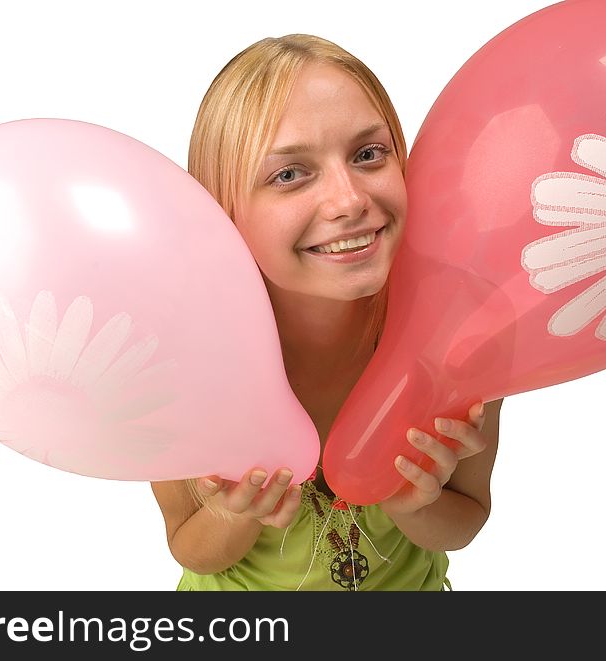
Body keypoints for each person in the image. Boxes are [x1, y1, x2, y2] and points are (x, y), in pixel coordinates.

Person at [151, 34, 501, 591]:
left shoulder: (453, 336)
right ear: (223, 209)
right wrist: (233, 514)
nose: (349, 200)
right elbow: (188, 545)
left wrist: (414, 502)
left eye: (368, 154)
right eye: (289, 174)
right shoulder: (180, 359)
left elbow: (465, 521)